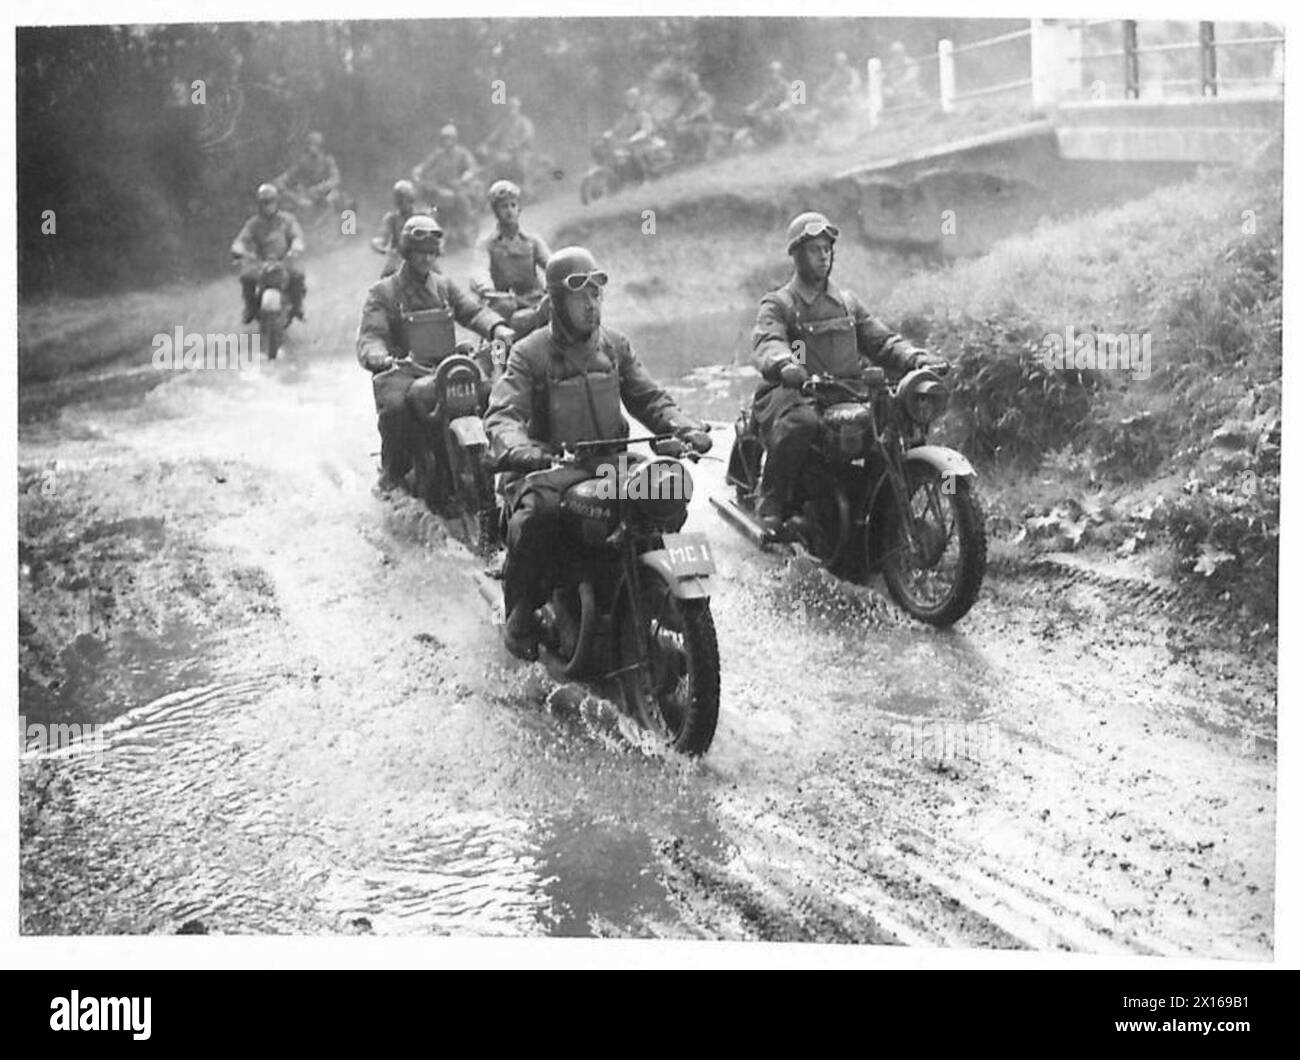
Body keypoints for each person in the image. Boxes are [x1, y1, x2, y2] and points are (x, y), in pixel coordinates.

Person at [484, 246, 712, 660]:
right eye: (580, 297)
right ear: (556, 300)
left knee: (668, 486)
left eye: (596, 295)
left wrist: (682, 426)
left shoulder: (615, 347)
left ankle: (662, 590)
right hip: (554, 468)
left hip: (612, 465)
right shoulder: (529, 352)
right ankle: (521, 613)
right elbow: (503, 413)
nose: (591, 305)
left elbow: (650, 398)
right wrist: (520, 448)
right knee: (536, 518)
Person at [749, 211, 947, 533]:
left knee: (894, 422)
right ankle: (771, 499)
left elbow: (882, 341)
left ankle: (879, 509)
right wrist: (785, 364)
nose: (824, 255)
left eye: (827, 248)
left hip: (847, 392)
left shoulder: (847, 303)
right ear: (797, 255)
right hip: (795, 393)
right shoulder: (780, 303)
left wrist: (916, 357)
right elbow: (767, 341)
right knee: (802, 423)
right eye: (815, 249)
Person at [356, 214, 515, 496]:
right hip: (404, 371)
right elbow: (372, 336)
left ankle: (495, 460)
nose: (426, 259)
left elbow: (472, 311)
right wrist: (379, 357)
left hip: (446, 368)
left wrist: (497, 327)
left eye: (431, 253)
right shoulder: (384, 292)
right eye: (419, 253)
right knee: (395, 410)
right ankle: (394, 469)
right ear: (407, 252)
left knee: (490, 393)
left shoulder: (443, 285)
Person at [475, 179, 551, 337]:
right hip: (503, 302)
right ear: (496, 211)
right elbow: (480, 269)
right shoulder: (487, 244)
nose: (509, 210)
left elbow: (552, 265)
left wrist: (561, 276)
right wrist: (485, 287)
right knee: (498, 334)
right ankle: (499, 360)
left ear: (519, 208)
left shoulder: (532, 241)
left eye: (513, 205)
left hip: (534, 299)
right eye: (504, 206)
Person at [230, 182, 306, 324]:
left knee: (298, 275)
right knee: (246, 277)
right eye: (264, 202)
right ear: (259, 204)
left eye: (271, 201)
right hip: (262, 263)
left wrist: (296, 247)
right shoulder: (253, 223)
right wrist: (239, 250)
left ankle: (297, 307)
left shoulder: (287, 220)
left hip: (284, 260)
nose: (268, 205)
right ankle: (250, 308)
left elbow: (297, 236)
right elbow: (241, 240)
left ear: (277, 202)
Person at [413, 124, 480, 246]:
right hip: (439, 185)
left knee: (461, 199)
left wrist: (467, 174)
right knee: (424, 195)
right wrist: (419, 169)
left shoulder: (462, 153)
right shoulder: (438, 154)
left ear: (455, 139)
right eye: (444, 139)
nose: (447, 141)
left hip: (457, 186)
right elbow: (426, 163)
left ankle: (464, 226)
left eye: (450, 138)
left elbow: (472, 167)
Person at [275, 130, 342, 208]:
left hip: (324, 193)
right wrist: (281, 180)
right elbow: (290, 173)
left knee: (337, 199)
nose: (312, 148)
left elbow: (335, 178)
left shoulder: (327, 160)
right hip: (307, 195)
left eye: (314, 145)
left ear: (320, 146)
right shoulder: (303, 161)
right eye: (310, 144)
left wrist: (321, 187)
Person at [479, 97, 536, 185]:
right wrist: (485, 144)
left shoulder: (524, 122)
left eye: (514, 108)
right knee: (492, 165)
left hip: (521, 153)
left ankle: (525, 187)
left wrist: (517, 144)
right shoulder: (505, 123)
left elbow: (527, 135)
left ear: (519, 109)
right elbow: (494, 135)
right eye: (509, 108)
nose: (511, 110)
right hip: (505, 153)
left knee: (521, 166)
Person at [371, 179, 420, 278]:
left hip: (420, 256)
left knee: (439, 281)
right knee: (383, 282)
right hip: (398, 257)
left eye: (404, 199)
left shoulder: (421, 216)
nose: (401, 202)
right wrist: (378, 244)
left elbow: (433, 234)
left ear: (411, 199)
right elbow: (383, 236)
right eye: (398, 199)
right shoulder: (391, 218)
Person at [608, 87, 659, 180]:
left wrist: (633, 139)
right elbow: (618, 127)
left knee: (637, 153)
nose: (629, 102)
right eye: (628, 99)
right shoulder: (626, 116)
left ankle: (646, 177)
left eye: (632, 99)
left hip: (644, 143)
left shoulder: (644, 115)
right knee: (614, 154)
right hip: (629, 143)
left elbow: (645, 131)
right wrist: (610, 133)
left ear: (637, 100)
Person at [672, 71, 716, 162]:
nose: (693, 85)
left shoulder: (705, 96)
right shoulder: (686, 99)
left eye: (695, 82)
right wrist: (674, 119)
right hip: (690, 125)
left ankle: (703, 152)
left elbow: (703, 110)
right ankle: (682, 154)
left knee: (696, 131)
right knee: (677, 129)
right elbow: (678, 112)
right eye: (690, 83)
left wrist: (689, 117)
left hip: (704, 124)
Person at [820, 51, 862, 118]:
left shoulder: (851, 71)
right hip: (838, 98)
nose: (839, 63)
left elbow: (856, 83)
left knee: (843, 102)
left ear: (845, 62)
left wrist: (848, 89)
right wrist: (823, 89)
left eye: (841, 61)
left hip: (850, 99)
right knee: (830, 104)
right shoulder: (835, 74)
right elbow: (830, 84)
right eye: (837, 61)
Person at [884, 41, 924, 109]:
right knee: (887, 94)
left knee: (919, 96)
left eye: (899, 52)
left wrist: (898, 86)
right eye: (894, 53)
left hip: (912, 90)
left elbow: (910, 77)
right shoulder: (891, 66)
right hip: (897, 93)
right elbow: (890, 81)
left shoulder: (911, 62)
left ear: (903, 52)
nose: (897, 55)